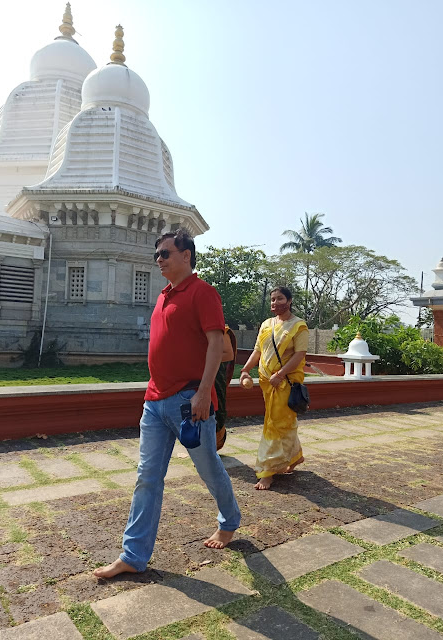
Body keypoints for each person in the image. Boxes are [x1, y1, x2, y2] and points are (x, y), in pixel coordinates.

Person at [94, 229, 241, 578]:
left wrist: (204, 393)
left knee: (208, 470)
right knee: (147, 477)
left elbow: (217, 347)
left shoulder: (203, 293)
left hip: (189, 401)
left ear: (186, 255)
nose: (158, 259)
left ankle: (230, 520)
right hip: (154, 401)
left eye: (165, 254)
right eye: (156, 255)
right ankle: (133, 554)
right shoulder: (162, 296)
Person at [240, 287, 308, 490]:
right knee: (282, 421)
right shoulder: (266, 325)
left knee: (274, 424)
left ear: (289, 301)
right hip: (266, 382)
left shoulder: (298, 326)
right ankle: (294, 456)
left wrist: (280, 374)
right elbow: (257, 351)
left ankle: (267, 471)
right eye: (272, 299)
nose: (275, 302)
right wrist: (244, 370)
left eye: (280, 299)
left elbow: (299, 355)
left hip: (284, 382)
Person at [215, 326, 237, 450]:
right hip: (196, 378)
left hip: (215, 377)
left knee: (217, 411)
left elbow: (228, 354)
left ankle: (216, 443)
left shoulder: (222, 329)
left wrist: (205, 361)